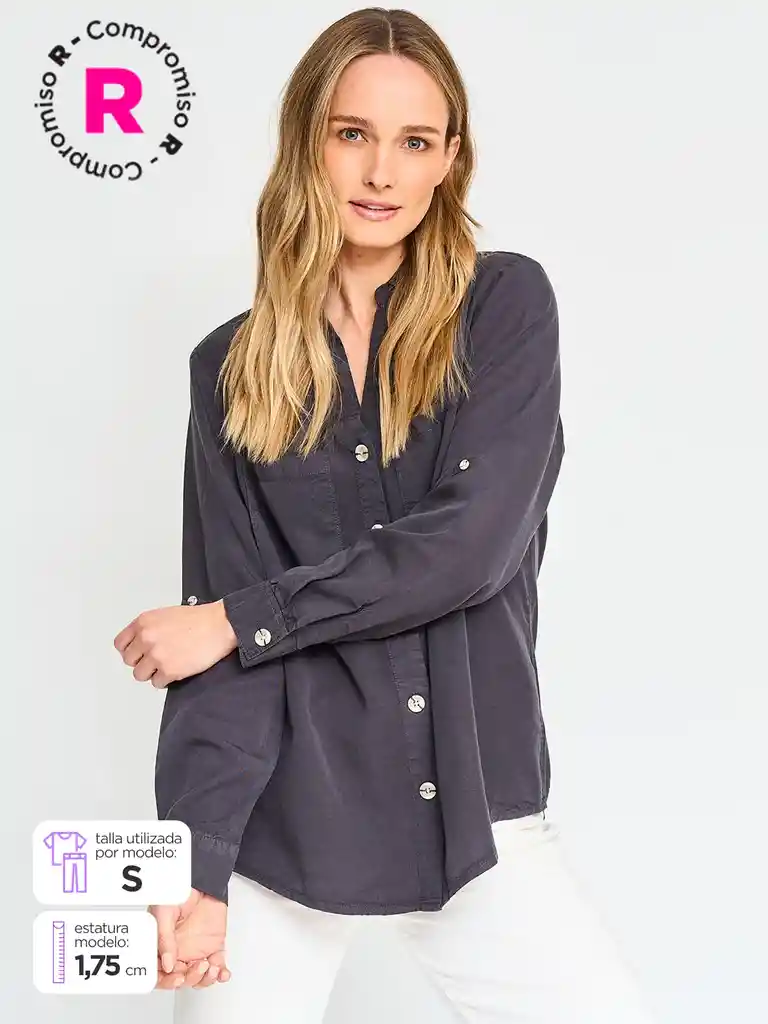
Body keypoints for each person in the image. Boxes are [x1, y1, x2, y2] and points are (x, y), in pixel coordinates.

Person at [113, 7, 657, 1023]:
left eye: (415, 142)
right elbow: (215, 657)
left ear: (450, 160)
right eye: (352, 133)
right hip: (287, 819)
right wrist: (196, 863)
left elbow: (469, 548)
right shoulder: (229, 369)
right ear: (307, 142)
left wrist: (240, 619)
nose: (380, 172)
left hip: (473, 811)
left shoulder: (504, 308)